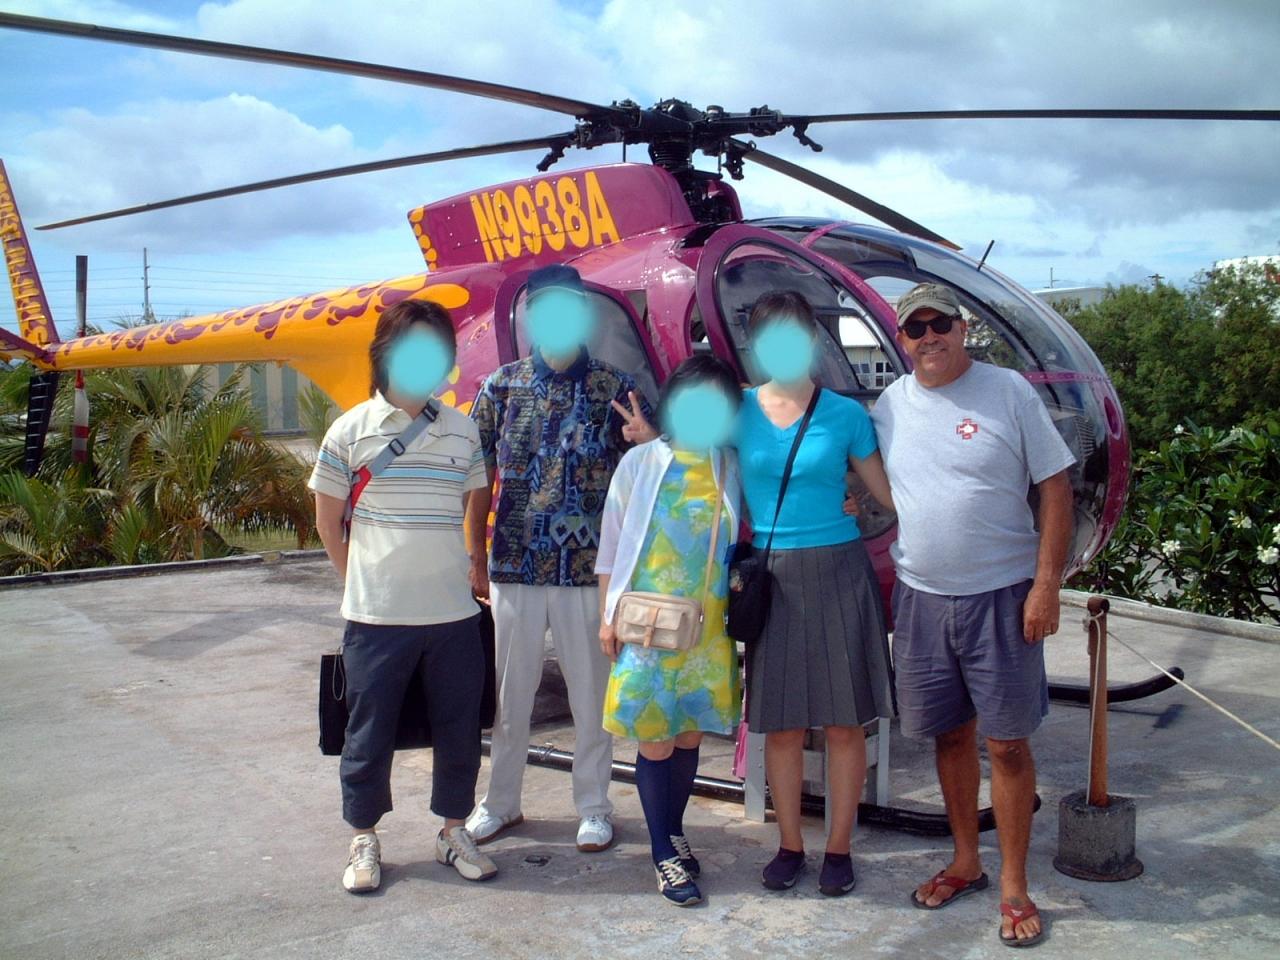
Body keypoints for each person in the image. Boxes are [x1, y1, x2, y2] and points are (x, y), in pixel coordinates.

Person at [871, 282, 1075, 948]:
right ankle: (967, 861)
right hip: (922, 599)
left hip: (1002, 596)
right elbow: (872, 477)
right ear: (902, 340)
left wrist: (1047, 585)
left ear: (962, 330)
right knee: (950, 737)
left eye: (940, 324)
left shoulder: (1008, 392)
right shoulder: (889, 406)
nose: (929, 336)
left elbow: (1055, 488)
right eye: (915, 328)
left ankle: (1014, 882)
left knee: (1008, 745)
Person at [465, 264, 657, 853]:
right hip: (514, 564)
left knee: (590, 699)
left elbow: (653, 472)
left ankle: (594, 807)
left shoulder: (616, 387)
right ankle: (500, 803)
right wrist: (474, 557)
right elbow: (477, 478)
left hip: (588, 572)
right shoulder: (501, 387)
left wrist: (650, 442)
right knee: (510, 697)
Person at [309, 298, 496, 894]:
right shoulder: (349, 431)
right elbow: (327, 523)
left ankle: (453, 831)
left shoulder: (463, 430)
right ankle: (364, 838)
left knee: (459, 730)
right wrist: (361, 581)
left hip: (454, 615)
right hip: (376, 617)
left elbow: (467, 504)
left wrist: (470, 565)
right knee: (367, 734)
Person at [737, 290, 897, 897]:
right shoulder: (737, 410)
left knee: (843, 723)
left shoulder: (846, 414)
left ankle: (838, 849)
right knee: (780, 725)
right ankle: (789, 845)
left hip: (839, 571)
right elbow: (684, 461)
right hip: (771, 576)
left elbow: (889, 495)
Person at [596, 356, 744, 906]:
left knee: (688, 735)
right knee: (655, 738)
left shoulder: (727, 463)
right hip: (647, 625)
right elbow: (611, 545)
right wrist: (607, 616)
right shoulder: (641, 462)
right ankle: (663, 854)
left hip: (706, 627)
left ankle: (673, 832)